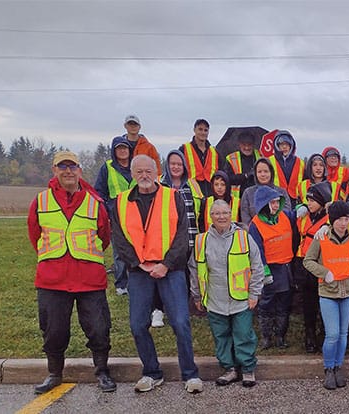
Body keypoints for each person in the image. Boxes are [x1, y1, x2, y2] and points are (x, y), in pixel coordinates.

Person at [111, 155, 203, 393]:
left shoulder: (173, 197)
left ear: (156, 172)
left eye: (148, 171)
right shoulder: (120, 202)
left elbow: (183, 235)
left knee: (181, 322)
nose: (144, 175)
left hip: (170, 270)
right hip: (139, 272)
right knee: (137, 324)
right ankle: (152, 372)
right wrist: (138, 263)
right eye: (139, 171)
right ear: (132, 174)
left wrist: (166, 264)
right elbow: (119, 240)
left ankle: (190, 374)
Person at [28, 151, 115, 394]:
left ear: (80, 170)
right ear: (54, 170)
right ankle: (54, 374)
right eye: (62, 166)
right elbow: (35, 234)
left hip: (89, 279)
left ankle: (102, 371)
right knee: (53, 331)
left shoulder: (95, 202)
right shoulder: (41, 201)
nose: (68, 171)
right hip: (52, 280)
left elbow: (104, 237)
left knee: (99, 328)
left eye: (72, 166)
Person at [189, 200, 265, 387]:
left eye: (225, 213)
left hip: (241, 299)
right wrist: (197, 295)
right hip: (215, 299)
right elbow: (194, 270)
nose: (221, 217)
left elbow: (257, 266)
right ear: (211, 216)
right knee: (221, 336)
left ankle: (247, 369)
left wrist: (254, 294)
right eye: (217, 213)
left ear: (231, 215)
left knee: (243, 335)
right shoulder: (201, 241)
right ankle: (229, 369)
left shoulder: (244, 237)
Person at [303, 201, 349, 390]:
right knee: (332, 334)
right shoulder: (322, 237)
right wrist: (324, 273)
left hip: (348, 292)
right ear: (332, 221)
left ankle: (337, 367)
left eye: (346, 219)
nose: (343, 223)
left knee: (343, 334)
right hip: (328, 292)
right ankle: (328, 368)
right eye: (339, 220)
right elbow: (308, 260)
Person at [248, 186, 296, 350]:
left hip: (285, 268)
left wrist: (302, 208)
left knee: (284, 304)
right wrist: (264, 271)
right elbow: (256, 250)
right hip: (269, 269)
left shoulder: (284, 216)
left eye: (277, 202)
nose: (276, 206)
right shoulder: (255, 225)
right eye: (272, 202)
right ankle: (266, 337)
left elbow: (295, 214)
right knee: (266, 304)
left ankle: (281, 337)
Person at [160, 150, 205, 323]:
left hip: (191, 236)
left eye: (179, 164)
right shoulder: (160, 184)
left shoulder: (192, 184)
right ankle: (165, 308)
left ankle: (191, 306)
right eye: (173, 164)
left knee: (190, 273)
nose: (176, 167)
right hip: (169, 240)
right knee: (171, 275)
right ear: (167, 165)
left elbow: (200, 210)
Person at [294, 182, 333, 353]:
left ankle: (324, 334)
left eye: (312, 200)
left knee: (324, 302)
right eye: (308, 200)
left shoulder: (330, 219)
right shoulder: (303, 217)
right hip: (304, 262)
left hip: (322, 264)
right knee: (308, 303)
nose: (309, 203)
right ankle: (309, 336)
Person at [94, 137, 134, 295]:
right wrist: (106, 210)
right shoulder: (108, 168)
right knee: (119, 251)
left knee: (136, 250)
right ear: (114, 151)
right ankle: (121, 284)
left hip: (136, 215)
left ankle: (134, 282)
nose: (123, 151)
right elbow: (99, 191)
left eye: (125, 148)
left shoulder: (136, 166)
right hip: (116, 215)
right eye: (119, 148)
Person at [240, 158, 291, 225]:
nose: (263, 174)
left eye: (266, 171)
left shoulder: (282, 192)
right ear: (255, 174)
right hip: (255, 230)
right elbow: (245, 218)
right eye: (259, 172)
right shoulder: (248, 193)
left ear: (271, 173)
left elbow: (286, 214)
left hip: (278, 229)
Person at [181, 119, 220, 195]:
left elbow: (220, 173)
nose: (203, 132)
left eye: (206, 130)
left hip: (211, 193)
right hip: (191, 192)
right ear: (194, 130)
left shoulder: (215, 152)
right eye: (200, 129)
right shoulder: (184, 149)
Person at [267, 130, 306, 204]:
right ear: (277, 145)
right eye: (281, 144)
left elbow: (305, 181)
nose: (284, 147)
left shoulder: (301, 162)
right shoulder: (269, 161)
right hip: (276, 198)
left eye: (287, 144)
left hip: (296, 199)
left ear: (291, 145)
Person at [221, 132, 260, 200]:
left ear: (253, 144)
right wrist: (245, 176)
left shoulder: (261, 156)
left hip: (257, 196)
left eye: (249, 144)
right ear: (239, 144)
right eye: (244, 144)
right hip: (238, 198)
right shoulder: (231, 158)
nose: (247, 147)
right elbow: (227, 179)